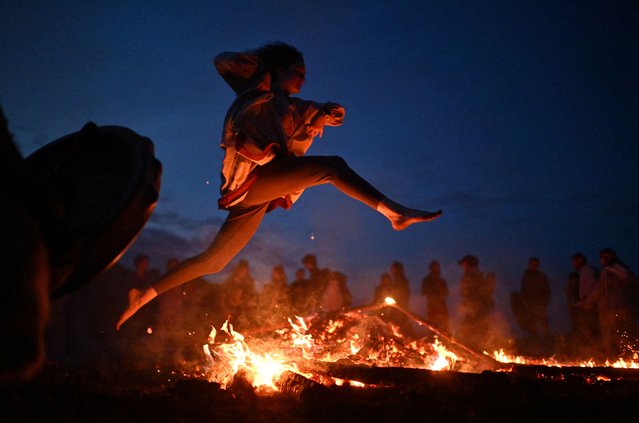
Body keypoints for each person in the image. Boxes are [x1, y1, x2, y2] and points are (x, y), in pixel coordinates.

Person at [117, 42, 442, 330]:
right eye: (297, 71)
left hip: (256, 194)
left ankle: (143, 295)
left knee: (215, 261)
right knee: (331, 167)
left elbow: (322, 114)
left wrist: (330, 113)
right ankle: (393, 213)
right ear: (279, 69)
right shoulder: (256, 91)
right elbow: (222, 61)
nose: (303, 79)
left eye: (305, 74)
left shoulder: (292, 106)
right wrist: (260, 66)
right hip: (251, 181)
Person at [585, 248, 638, 357]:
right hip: (626, 307)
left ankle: (612, 360)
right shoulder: (625, 271)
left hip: (610, 308)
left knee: (609, 334)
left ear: (606, 258)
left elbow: (599, 289)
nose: (600, 260)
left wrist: (589, 302)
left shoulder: (608, 271)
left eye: (601, 258)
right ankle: (630, 357)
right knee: (625, 333)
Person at [458, 255, 494, 349]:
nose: (462, 266)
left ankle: (473, 351)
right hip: (479, 307)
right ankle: (480, 349)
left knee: (469, 329)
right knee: (478, 328)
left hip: (475, 308)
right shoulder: (479, 275)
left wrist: (468, 304)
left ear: (468, 264)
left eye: (464, 264)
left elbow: (468, 292)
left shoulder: (470, 275)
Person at [571, 253, 599, 346]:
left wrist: (587, 301)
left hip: (589, 305)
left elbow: (592, 288)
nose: (573, 264)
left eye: (575, 262)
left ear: (580, 261)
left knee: (588, 328)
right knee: (586, 328)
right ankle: (592, 351)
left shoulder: (588, 271)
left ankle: (597, 350)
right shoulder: (583, 272)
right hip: (587, 304)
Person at [519, 257, 551, 340]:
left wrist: (544, 302)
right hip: (529, 305)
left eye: (535, 264)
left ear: (538, 265)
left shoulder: (542, 276)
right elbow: (523, 291)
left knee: (543, 323)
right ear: (529, 265)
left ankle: (547, 342)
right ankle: (535, 341)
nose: (534, 266)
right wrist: (525, 303)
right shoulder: (526, 277)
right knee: (532, 324)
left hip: (540, 304)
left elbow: (547, 290)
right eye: (532, 264)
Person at [420, 260, 449, 331]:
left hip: (442, 306)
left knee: (444, 326)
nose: (437, 268)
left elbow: (446, 293)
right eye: (435, 267)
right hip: (432, 307)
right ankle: (433, 340)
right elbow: (424, 291)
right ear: (431, 268)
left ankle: (444, 341)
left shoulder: (442, 280)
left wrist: (441, 294)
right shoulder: (427, 280)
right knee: (432, 326)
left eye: (437, 267)